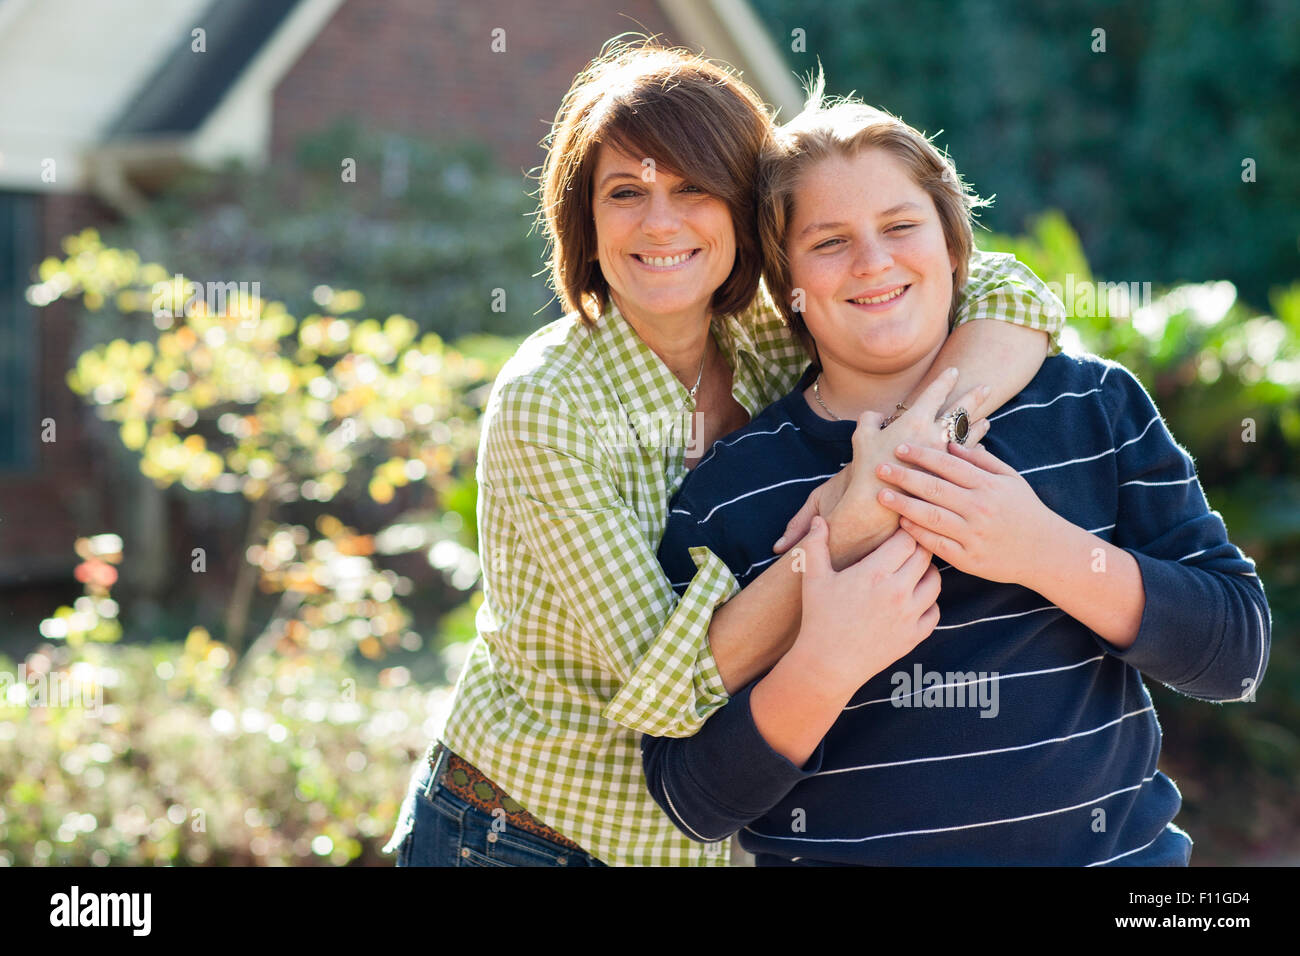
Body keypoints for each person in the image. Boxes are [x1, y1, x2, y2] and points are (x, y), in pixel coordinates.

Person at [384, 40, 1066, 868]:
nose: (660, 222)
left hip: (709, 840)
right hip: (521, 836)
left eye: (693, 188)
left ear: (745, 207)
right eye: (625, 193)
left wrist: (916, 446)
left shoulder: (773, 337)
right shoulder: (549, 401)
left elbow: (1005, 291)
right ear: (586, 222)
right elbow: (664, 688)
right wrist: (852, 520)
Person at [643, 86, 1272, 865]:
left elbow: (1236, 653)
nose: (874, 262)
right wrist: (823, 665)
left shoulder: (1090, 405)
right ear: (787, 284)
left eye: (901, 226)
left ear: (952, 247)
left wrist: (1042, 550)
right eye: (829, 241)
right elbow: (689, 799)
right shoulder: (729, 490)